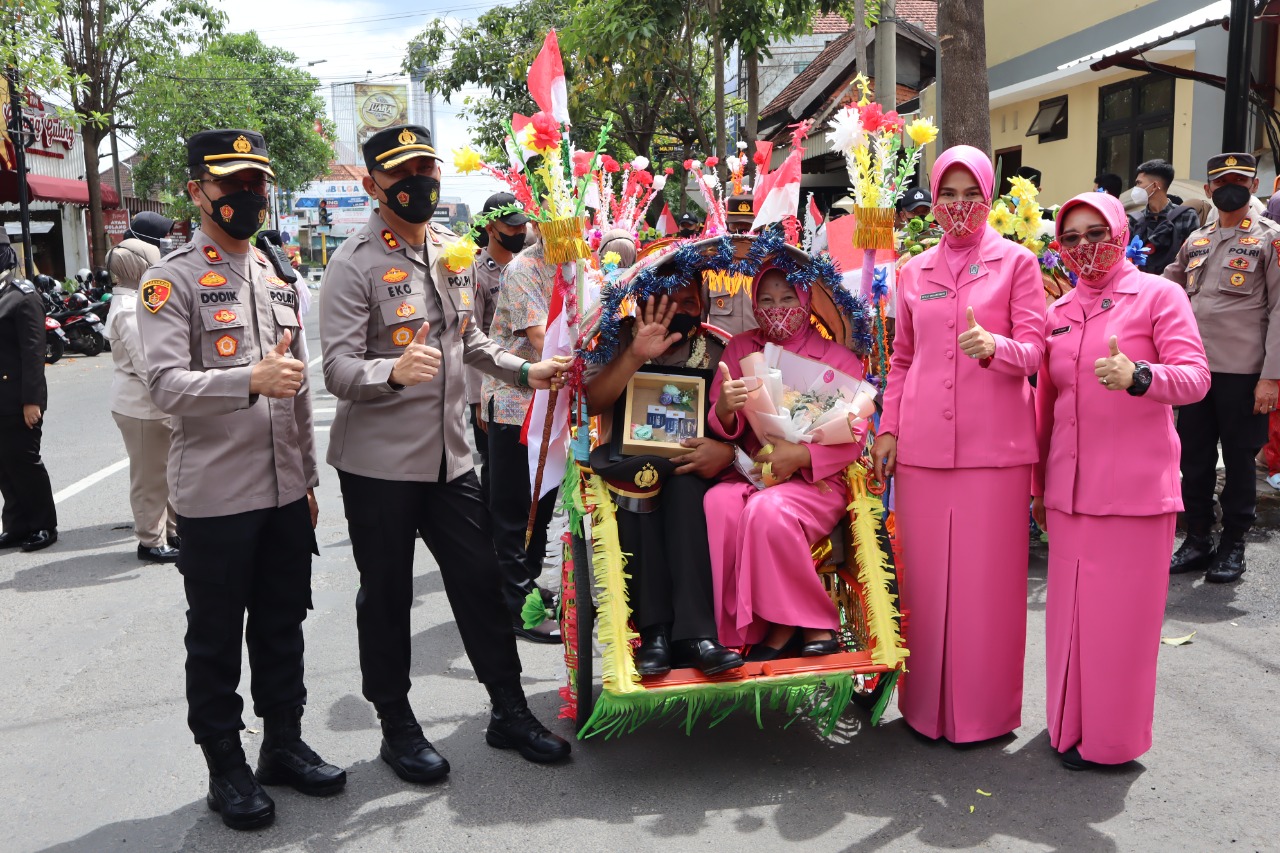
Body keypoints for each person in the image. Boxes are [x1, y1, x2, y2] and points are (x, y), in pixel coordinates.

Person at [320, 124, 571, 786]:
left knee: (482, 579)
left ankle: (509, 710)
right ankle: (397, 726)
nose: (420, 181)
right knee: (388, 595)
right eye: (403, 172)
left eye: (427, 167)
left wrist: (524, 372)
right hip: (378, 464)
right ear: (374, 184)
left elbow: (470, 340)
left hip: (452, 457)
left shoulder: (452, 251)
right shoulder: (353, 263)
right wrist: (391, 372)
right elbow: (338, 369)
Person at [136, 129, 343, 831]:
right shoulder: (173, 280)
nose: (249, 196)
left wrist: (309, 479)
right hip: (217, 497)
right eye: (233, 184)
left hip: (285, 490)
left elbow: (299, 392)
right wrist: (245, 380)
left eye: (258, 183)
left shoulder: (278, 274)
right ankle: (225, 762)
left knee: (284, 624)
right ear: (197, 191)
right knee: (218, 634)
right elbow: (164, 384)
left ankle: (283, 741)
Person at [871, 144, 1047, 744]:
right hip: (921, 448)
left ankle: (983, 713)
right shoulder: (913, 270)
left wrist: (995, 349)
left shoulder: (1017, 264)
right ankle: (923, 710)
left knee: (985, 588)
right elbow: (901, 359)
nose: (959, 206)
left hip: (993, 452)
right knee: (923, 584)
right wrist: (888, 428)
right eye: (948, 194)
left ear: (990, 197)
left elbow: (1036, 352)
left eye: (971, 193)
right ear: (933, 200)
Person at [1032, 191, 1209, 769]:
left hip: (1135, 494)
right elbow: (1046, 411)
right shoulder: (1057, 317)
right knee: (1070, 620)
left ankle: (1111, 741)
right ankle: (1066, 727)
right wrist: (1038, 487)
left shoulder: (1160, 295)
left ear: (1119, 232)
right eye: (1072, 237)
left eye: (1095, 233)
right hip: (1069, 494)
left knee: (1120, 627)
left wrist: (1140, 376)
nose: (1085, 247)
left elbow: (1195, 378)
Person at [584, 279, 745, 676]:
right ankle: (654, 632)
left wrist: (724, 451)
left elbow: (740, 422)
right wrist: (634, 356)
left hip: (694, 467)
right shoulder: (616, 338)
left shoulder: (717, 349)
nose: (677, 311)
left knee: (686, 489)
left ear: (704, 305)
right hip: (627, 465)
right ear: (644, 301)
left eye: (688, 301)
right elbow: (590, 403)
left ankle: (695, 636)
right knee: (641, 486)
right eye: (665, 301)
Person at [705, 264, 866, 658]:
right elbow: (721, 419)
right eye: (766, 300)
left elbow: (856, 433)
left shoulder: (837, 358)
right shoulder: (741, 348)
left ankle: (804, 622)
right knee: (718, 504)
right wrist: (725, 407)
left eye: (787, 299)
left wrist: (803, 455)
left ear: (806, 300)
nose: (777, 309)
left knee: (767, 512)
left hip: (816, 481)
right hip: (752, 471)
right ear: (753, 302)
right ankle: (735, 630)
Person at [1162, 152, 1280, 583]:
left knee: (1239, 462)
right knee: (1192, 458)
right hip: (1193, 372)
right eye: (1222, 181)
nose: (1231, 187)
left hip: (1244, 374)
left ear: (1253, 187)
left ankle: (1233, 545)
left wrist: (1272, 376)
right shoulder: (1197, 240)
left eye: (1240, 180)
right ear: (1209, 190)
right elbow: (1164, 289)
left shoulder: (1271, 239)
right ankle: (1197, 539)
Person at [482, 225, 563, 643]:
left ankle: (525, 585)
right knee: (514, 513)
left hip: (553, 404)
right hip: (516, 402)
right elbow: (541, 338)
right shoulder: (523, 268)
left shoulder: (576, 267)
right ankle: (518, 608)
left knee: (543, 506)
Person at [105, 213, 180, 562]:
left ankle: (170, 531)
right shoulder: (128, 309)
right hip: (144, 404)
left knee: (164, 472)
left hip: (146, 403)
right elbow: (147, 364)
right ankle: (151, 540)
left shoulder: (132, 302)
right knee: (151, 477)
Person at [468, 192, 530, 504]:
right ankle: (493, 543)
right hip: (493, 388)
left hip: (528, 382)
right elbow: (471, 336)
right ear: (491, 227)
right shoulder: (477, 272)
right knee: (497, 474)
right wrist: (479, 399)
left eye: (522, 227)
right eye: (512, 227)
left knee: (526, 472)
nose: (520, 233)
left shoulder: (529, 266)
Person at [0, 231, 57, 553]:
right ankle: (17, 525)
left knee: (24, 463)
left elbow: (34, 354)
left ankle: (43, 525)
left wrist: (32, 401)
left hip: (18, 397)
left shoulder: (23, 296)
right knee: (3, 465)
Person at [1128, 159, 1199, 276]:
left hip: (1175, 286)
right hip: (1141, 286)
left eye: (1139, 183)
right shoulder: (1135, 220)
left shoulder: (1186, 216)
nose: (1136, 188)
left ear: (1155, 185)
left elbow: (1193, 257)